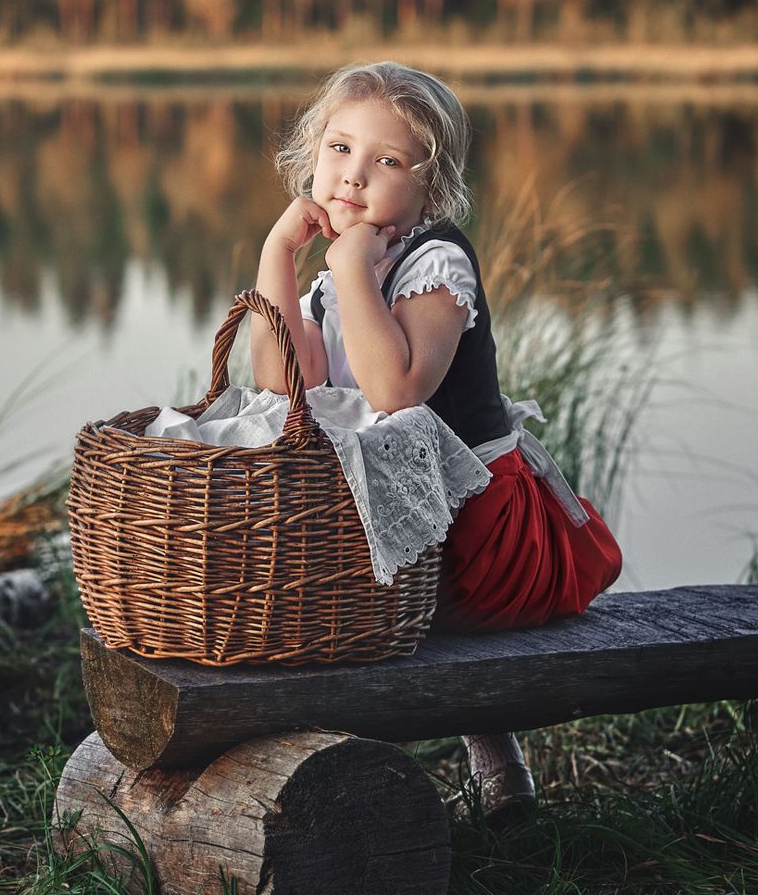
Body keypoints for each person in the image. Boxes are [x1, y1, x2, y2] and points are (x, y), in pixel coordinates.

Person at [250, 60, 622, 823]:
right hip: (414, 525)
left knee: (327, 603)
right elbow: (283, 386)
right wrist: (277, 259)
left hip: (484, 534)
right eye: (339, 149)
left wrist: (350, 267)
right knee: (291, 576)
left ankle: (466, 756)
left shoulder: (433, 262)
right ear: (311, 156)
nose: (352, 177)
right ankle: (322, 769)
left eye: (387, 161)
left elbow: (396, 392)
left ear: (430, 187)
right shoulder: (331, 273)